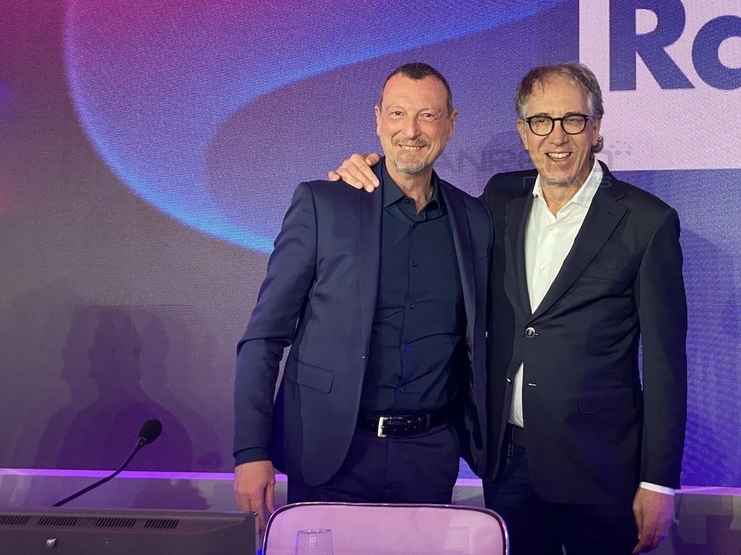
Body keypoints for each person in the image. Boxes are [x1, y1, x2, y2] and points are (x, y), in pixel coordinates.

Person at [334, 62, 687, 554]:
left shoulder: (647, 221)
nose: (556, 136)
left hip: (602, 469)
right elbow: (418, 191)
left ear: (596, 127)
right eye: (540, 121)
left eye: (573, 120)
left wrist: (658, 481)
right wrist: (368, 169)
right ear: (523, 132)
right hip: (508, 462)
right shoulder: (499, 200)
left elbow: (666, 365)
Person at [234, 63, 491, 530]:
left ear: (451, 123)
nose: (410, 131)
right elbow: (264, 336)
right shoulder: (324, 203)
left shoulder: (474, 219)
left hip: (429, 457)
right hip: (332, 453)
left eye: (428, 115)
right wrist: (252, 451)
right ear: (377, 119)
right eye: (397, 113)